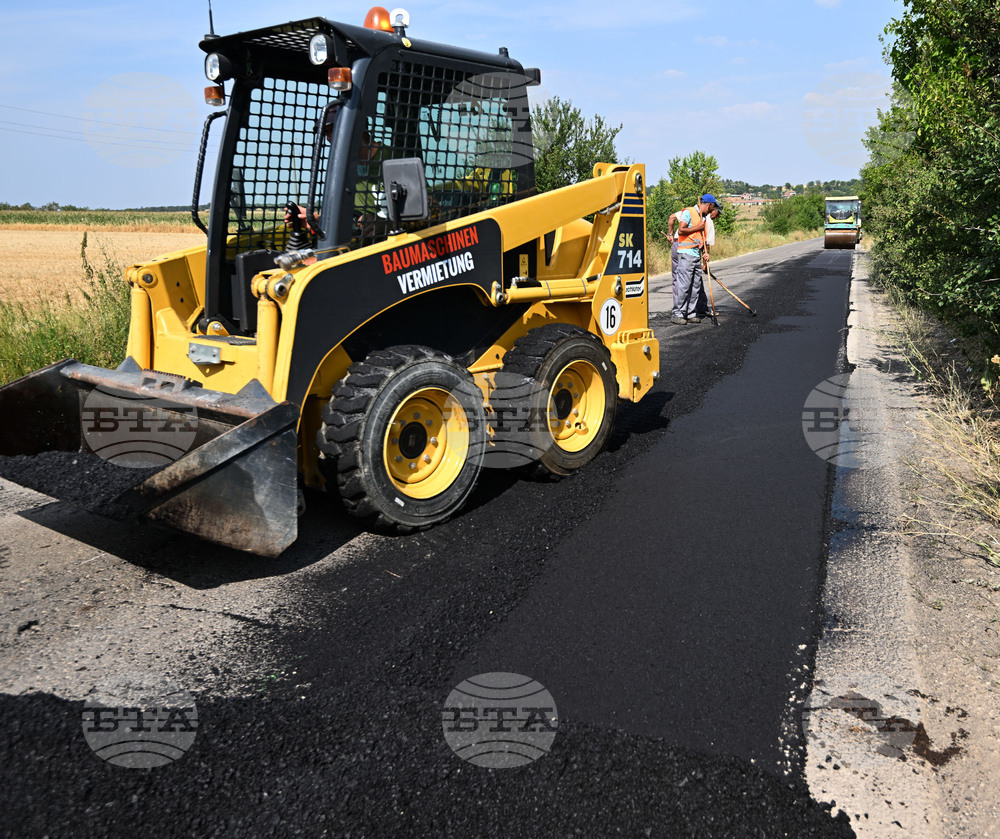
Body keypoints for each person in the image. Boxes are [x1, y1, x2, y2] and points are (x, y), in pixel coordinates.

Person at [671, 194, 717, 324]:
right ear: (709, 205)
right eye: (711, 208)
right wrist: (699, 227)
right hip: (686, 254)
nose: (710, 211)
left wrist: (705, 252)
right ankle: (678, 314)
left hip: (696, 254)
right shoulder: (689, 212)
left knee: (695, 286)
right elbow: (681, 230)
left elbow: (700, 238)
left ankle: (691, 313)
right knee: (684, 285)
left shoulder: (702, 217)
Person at [694, 203, 722, 317]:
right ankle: (699, 309)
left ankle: (698, 308)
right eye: (717, 213)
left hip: (684, 249)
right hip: (690, 251)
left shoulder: (699, 216)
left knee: (692, 282)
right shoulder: (708, 221)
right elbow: (707, 245)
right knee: (695, 282)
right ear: (712, 209)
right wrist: (705, 265)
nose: (718, 216)